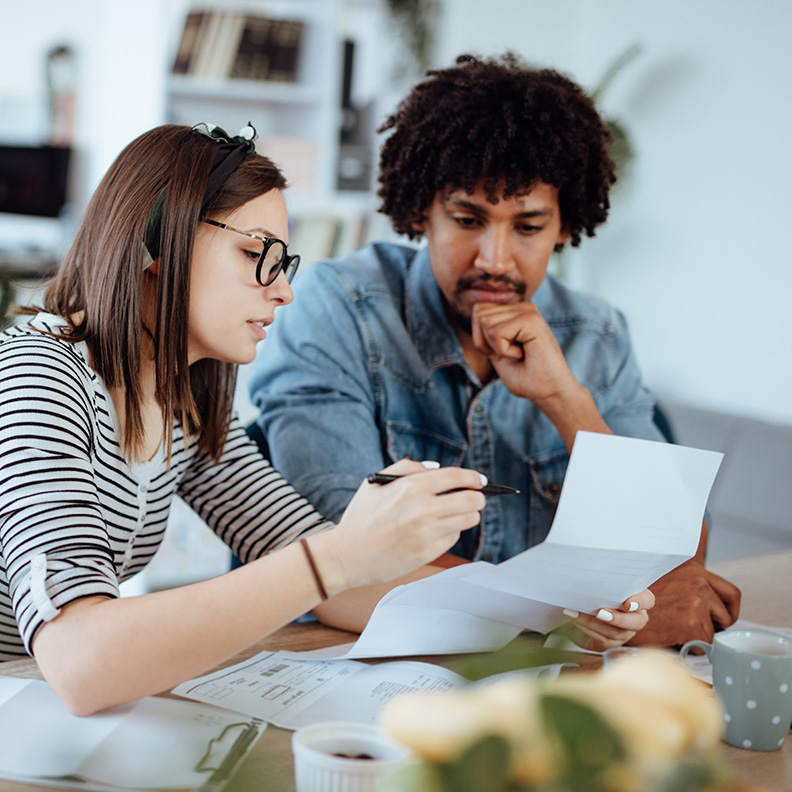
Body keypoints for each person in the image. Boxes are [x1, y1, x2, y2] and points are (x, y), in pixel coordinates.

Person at [0, 122, 509, 716]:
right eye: (255, 253)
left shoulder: (182, 398)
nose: (285, 291)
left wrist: (545, 616)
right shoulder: (37, 378)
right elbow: (80, 659)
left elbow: (324, 572)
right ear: (160, 243)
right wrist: (340, 556)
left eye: (282, 261)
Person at [249, 54, 741, 649]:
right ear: (421, 212)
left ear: (564, 226)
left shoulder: (596, 334)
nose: (496, 260)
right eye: (467, 218)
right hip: (345, 665)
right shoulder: (340, 308)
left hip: (531, 679)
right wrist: (568, 613)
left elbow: (677, 555)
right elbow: (337, 554)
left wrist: (565, 400)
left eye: (528, 227)